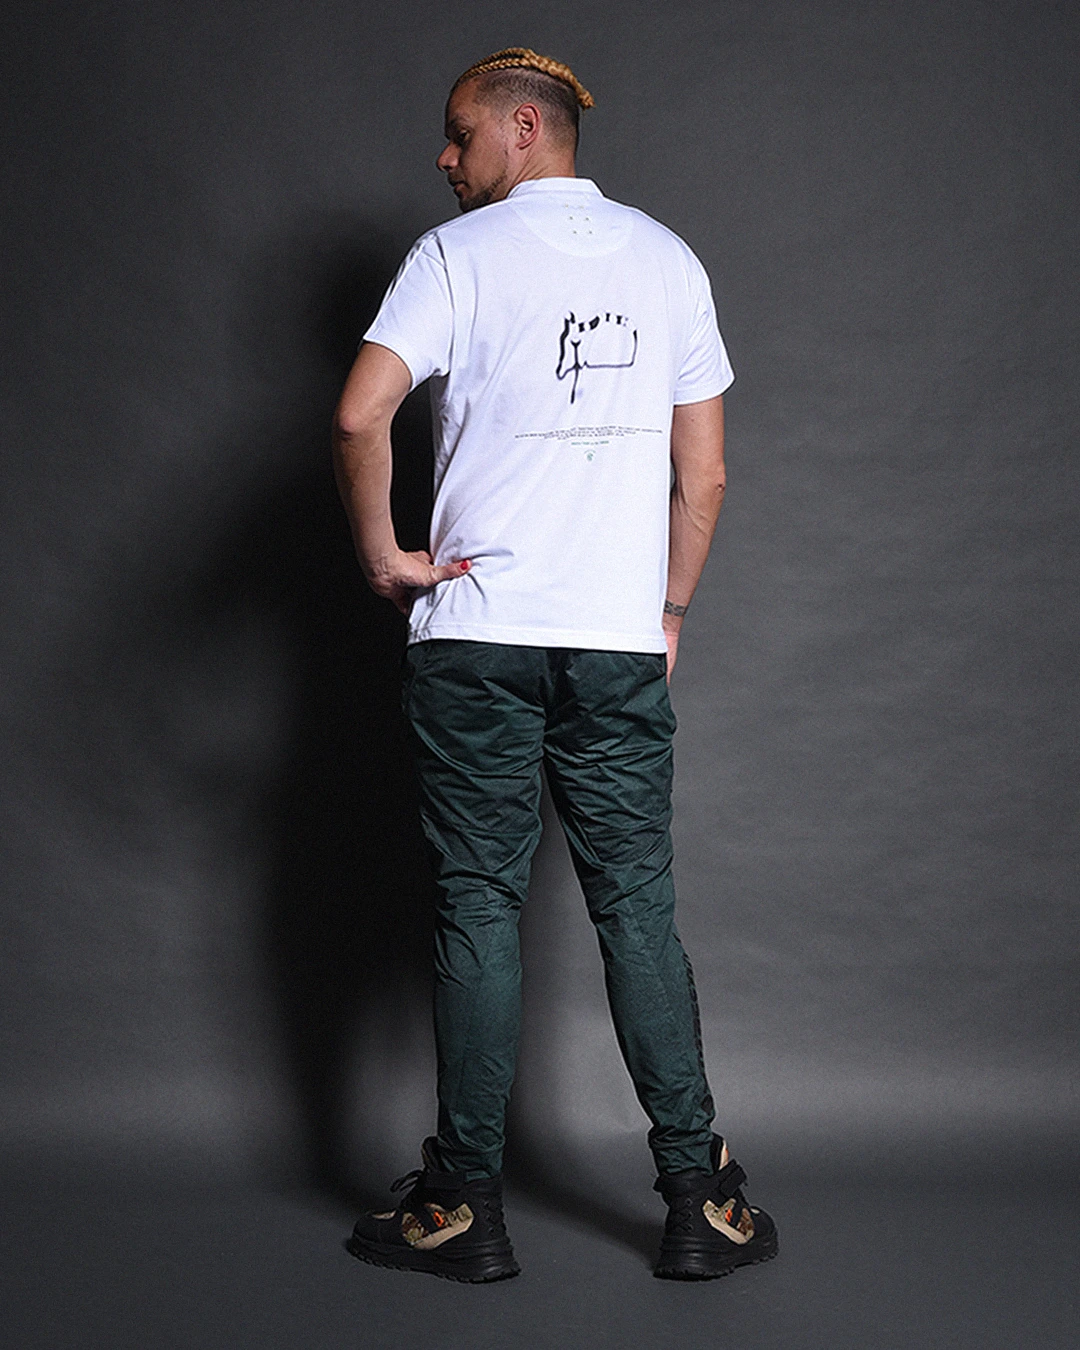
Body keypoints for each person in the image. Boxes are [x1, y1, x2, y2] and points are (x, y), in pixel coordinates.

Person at [332, 47, 776, 1283]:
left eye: (458, 132)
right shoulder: (669, 260)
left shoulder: (451, 259)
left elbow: (359, 413)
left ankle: (464, 1207)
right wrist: (668, 610)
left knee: (478, 901)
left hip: (477, 633)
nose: (444, 157)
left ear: (524, 128)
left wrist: (384, 555)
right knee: (636, 905)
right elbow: (706, 474)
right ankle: (700, 1202)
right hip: (614, 640)